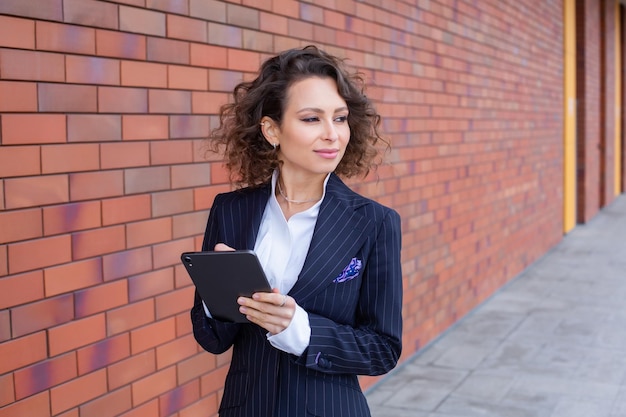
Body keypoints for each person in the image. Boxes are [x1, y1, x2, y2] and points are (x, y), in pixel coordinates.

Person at [190, 45, 403, 417]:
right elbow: (212, 339)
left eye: (339, 118)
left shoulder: (374, 222)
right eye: (311, 119)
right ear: (272, 130)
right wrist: (218, 295)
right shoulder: (231, 210)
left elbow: (382, 349)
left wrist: (298, 328)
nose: (332, 135)